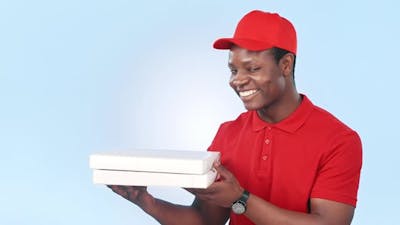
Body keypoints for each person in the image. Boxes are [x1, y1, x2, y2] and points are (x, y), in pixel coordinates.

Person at [108, 10, 362, 225]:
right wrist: (145, 201)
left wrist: (240, 199)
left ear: (285, 65)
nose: (237, 80)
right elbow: (205, 219)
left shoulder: (339, 140)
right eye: (233, 69)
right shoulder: (228, 134)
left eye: (252, 68)